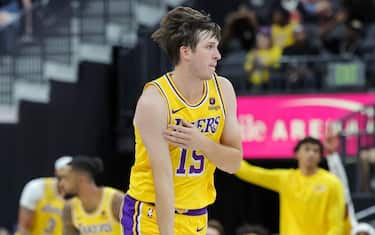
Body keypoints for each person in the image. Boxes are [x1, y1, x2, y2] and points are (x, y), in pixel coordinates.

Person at [121, 6, 242, 235]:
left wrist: (201, 143)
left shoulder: (223, 89)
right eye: (209, 47)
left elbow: (233, 163)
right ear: (186, 52)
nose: (218, 55)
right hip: (152, 215)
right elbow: (163, 179)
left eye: (216, 47)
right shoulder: (154, 101)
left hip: (197, 216)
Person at [235, 137, 345, 235]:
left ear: (320, 157)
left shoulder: (332, 183)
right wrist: (226, 152)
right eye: (307, 149)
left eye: (316, 151)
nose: (311, 153)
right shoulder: (286, 179)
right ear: (297, 154)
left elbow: (336, 224)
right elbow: (250, 173)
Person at [60, 156, 124, 235]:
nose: (61, 183)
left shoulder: (116, 200)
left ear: (81, 178)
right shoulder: (69, 208)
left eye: (66, 178)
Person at [15, 156, 72, 235]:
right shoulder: (36, 188)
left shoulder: (78, 196)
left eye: (68, 177)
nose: (64, 181)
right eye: (61, 177)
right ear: (56, 173)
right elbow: (24, 227)